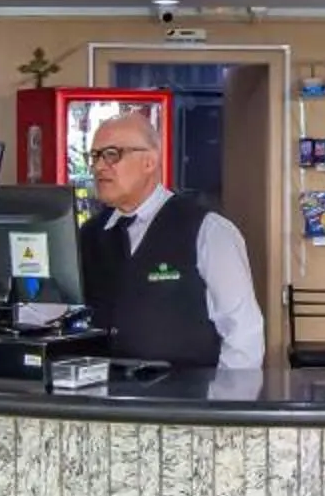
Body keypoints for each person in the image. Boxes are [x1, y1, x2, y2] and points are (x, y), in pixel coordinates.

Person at [74, 114, 265, 368]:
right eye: (95, 157)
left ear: (149, 162)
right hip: (103, 398)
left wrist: (225, 401)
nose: (99, 167)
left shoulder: (208, 230)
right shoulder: (89, 234)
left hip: (185, 400)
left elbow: (243, 333)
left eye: (111, 154)